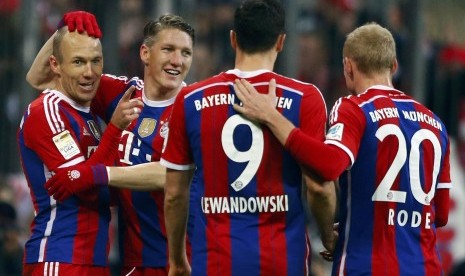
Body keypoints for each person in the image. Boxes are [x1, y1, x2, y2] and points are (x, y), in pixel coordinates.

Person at [233, 22, 451, 275]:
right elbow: (441, 214)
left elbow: (329, 165)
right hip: (426, 267)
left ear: (348, 66)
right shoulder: (435, 123)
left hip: (365, 266)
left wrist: (273, 117)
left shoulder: (354, 108)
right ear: (393, 66)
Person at [160, 0, 336, 275]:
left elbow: (174, 194)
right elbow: (319, 188)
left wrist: (177, 258)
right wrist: (327, 235)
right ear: (281, 42)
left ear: (233, 39)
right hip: (282, 261)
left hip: (215, 260)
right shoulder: (306, 99)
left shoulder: (190, 99)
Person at [27, 13, 195, 275]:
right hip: (131, 261)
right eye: (168, 49)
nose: (177, 61)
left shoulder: (193, 107)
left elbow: (174, 174)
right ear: (145, 53)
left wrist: (97, 174)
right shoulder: (123, 93)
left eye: (186, 53)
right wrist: (66, 30)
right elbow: (43, 78)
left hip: (181, 260)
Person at [18, 12, 143, 276]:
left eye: (96, 61)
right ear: (56, 65)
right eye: (78, 62)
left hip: (96, 258)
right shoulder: (47, 111)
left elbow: (100, 184)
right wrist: (116, 129)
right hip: (59, 257)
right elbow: (85, 188)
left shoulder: (88, 110)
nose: (89, 72)